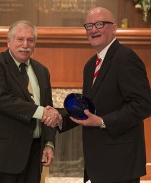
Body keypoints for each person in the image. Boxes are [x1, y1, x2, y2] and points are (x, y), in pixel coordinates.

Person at [58, 7, 151, 183]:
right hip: (98, 163)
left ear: (114, 28)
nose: (93, 30)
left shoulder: (126, 58)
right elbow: (89, 109)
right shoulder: (90, 65)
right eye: (89, 25)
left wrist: (103, 122)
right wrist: (58, 116)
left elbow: (143, 104)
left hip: (120, 163)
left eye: (100, 24)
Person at [0, 20, 61, 183]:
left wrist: (48, 143)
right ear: (9, 41)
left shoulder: (42, 70)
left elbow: (49, 106)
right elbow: (0, 99)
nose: (25, 45)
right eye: (20, 39)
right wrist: (42, 112)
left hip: (33, 156)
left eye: (30, 40)